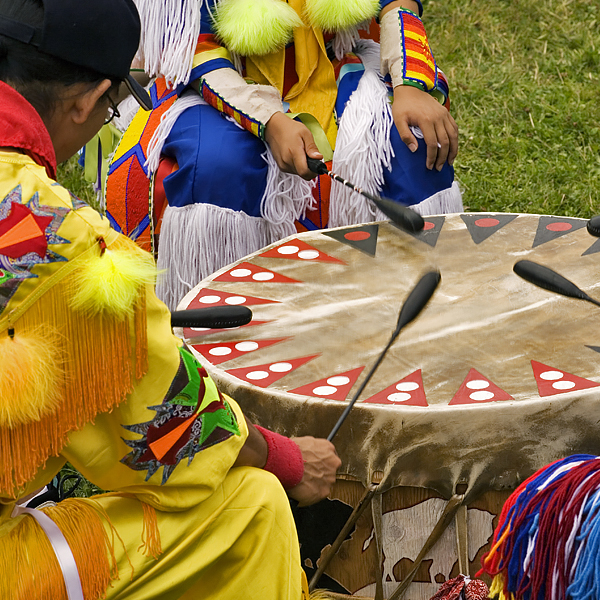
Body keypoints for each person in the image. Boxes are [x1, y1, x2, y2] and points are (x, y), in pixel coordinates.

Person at [0, 1, 341, 599]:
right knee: (252, 508)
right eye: (110, 108)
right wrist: (284, 458)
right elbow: (165, 431)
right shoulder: (57, 240)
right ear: (88, 100)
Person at [106, 0, 463, 310]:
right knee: (220, 166)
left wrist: (409, 86)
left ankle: (407, 310)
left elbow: (396, 5)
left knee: (408, 145)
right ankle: (216, 327)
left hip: (338, 59)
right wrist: (269, 122)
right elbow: (196, 47)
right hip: (217, 78)